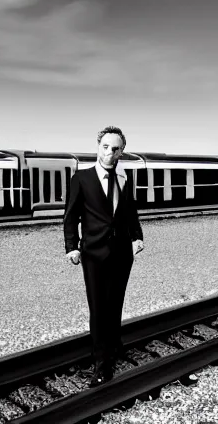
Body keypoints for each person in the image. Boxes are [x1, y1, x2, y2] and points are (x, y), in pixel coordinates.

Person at [64, 125, 144, 387]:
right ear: (98, 147)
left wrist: (137, 236)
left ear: (122, 152)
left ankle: (114, 345)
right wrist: (72, 247)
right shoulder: (82, 178)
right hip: (94, 254)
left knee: (115, 304)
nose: (109, 152)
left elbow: (130, 211)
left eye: (115, 148)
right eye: (105, 147)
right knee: (98, 308)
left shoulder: (124, 179)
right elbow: (70, 217)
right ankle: (102, 363)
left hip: (122, 253)